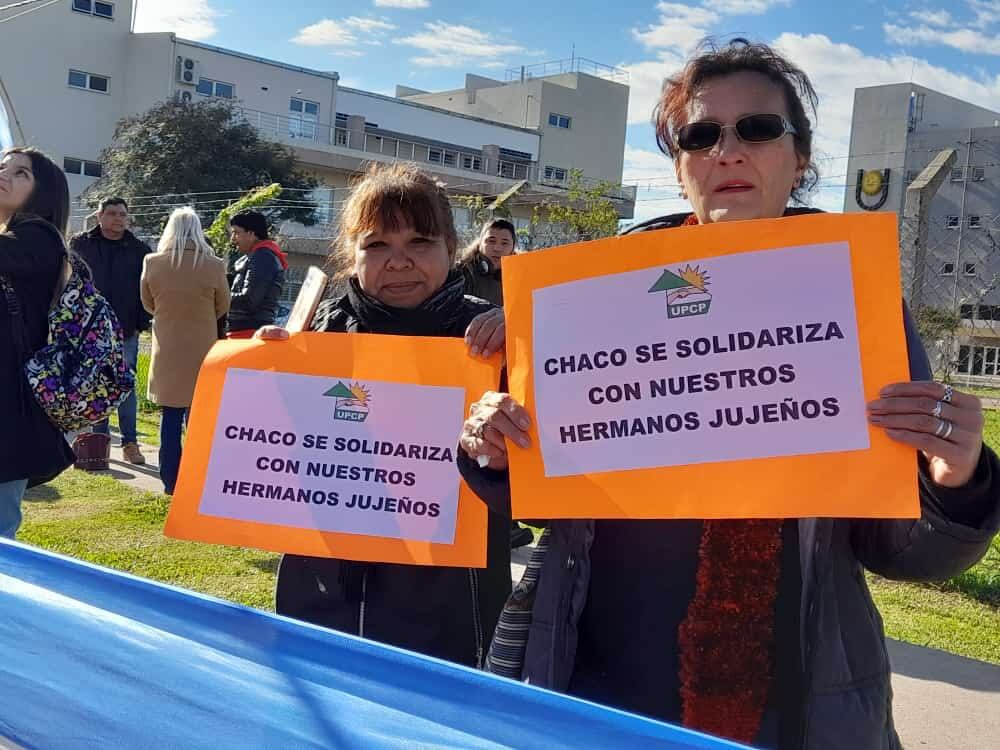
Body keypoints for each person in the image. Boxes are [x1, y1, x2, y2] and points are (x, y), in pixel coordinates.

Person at [457, 39, 1000, 749]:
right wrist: (494, 452)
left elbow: (899, 550)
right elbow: (544, 501)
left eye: (759, 129)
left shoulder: (853, 299)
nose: (729, 150)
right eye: (702, 134)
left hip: (791, 695)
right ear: (681, 164)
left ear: (800, 158)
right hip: (598, 670)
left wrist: (957, 481)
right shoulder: (584, 298)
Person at [259, 163, 511, 669]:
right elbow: (267, 458)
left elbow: (540, 490)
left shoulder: (493, 342)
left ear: (449, 247)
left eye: (419, 242)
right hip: (321, 587)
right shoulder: (315, 336)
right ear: (351, 255)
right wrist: (258, 377)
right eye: (376, 245)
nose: (398, 263)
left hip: (448, 598)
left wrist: (524, 356)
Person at [0, 147, 75, 537]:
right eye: (2, 166)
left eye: (21, 173)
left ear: (42, 193)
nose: (4, 174)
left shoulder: (38, 238)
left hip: (9, 407)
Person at [140, 207, 230, 495]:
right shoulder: (214, 265)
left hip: (167, 349)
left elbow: (147, 302)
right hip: (203, 350)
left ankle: (170, 481)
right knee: (199, 419)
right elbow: (223, 305)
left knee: (169, 418)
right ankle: (196, 479)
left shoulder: (153, 262)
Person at [459, 219, 533, 549]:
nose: (498, 246)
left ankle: (507, 521)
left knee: (500, 439)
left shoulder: (521, 273)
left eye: (505, 241)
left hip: (505, 364)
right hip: (471, 355)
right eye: (492, 240)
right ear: (480, 242)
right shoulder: (466, 271)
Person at [70, 197, 151, 465]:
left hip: (126, 329)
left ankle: (130, 443)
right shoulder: (80, 244)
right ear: (100, 216)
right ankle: (99, 441)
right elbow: (71, 283)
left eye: (123, 214)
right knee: (96, 387)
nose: (119, 219)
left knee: (126, 388)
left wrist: (141, 322)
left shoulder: (139, 250)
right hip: (90, 329)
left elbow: (146, 291)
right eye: (113, 213)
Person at [226, 210, 286, 338]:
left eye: (236, 233)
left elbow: (249, 300)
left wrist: (216, 296)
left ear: (251, 233)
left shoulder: (263, 257)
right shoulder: (257, 256)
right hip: (243, 330)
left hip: (248, 333)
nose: (232, 239)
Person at [458, 218, 517, 306]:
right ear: (480, 243)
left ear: (513, 247)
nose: (497, 248)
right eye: (491, 241)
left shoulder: (520, 278)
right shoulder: (461, 273)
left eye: (504, 243)